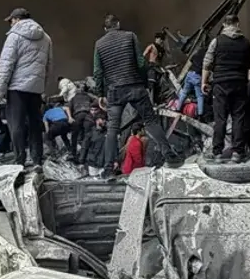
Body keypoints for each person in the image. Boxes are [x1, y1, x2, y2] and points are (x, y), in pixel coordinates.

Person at [93, 14, 174, 177]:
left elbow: (98, 72)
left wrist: (100, 94)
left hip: (115, 91)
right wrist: (144, 83)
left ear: (105, 28)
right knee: (150, 121)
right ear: (118, 24)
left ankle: (108, 169)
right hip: (135, 87)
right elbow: (141, 63)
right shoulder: (130, 36)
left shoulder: (99, 44)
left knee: (112, 129)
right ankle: (170, 157)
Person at [0, 7, 54, 169]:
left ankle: (19, 161)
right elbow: (49, 66)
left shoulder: (14, 36)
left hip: (17, 88)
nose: (10, 24)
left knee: (16, 125)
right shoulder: (46, 38)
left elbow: (6, 65)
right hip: (35, 89)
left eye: (11, 21)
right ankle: (37, 160)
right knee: (35, 125)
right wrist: (43, 86)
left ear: (16, 20)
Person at [202, 15, 250, 162]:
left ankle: (217, 153)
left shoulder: (216, 42)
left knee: (220, 119)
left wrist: (204, 82)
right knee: (238, 118)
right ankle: (237, 153)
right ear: (237, 24)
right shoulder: (247, 43)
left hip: (220, 85)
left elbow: (207, 64)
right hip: (240, 84)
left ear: (224, 25)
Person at [68, 83, 97, 170]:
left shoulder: (73, 98)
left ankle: (73, 154)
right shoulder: (88, 96)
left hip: (77, 116)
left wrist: (70, 117)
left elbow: (68, 108)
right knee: (87, 136)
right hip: (87, 115)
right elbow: (97, 100)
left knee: (74, 136)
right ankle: (83, 158)